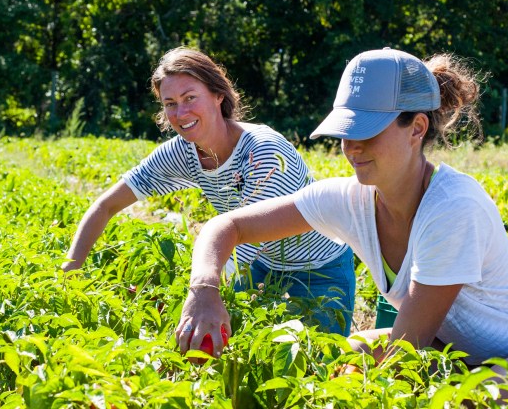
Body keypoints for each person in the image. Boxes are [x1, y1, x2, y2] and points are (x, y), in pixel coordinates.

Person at [176, 48, 508, 373]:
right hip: (457, 347)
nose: (352, 147)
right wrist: (204, 291)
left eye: (367, 131)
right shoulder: (350, 200)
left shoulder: (453, 208)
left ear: (416, 128)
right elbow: (227, 226)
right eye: (346, 131)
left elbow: (406, 354)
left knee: (472, 397)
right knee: (332, 357)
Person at [62, 46, 356, 338]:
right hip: (260, 267)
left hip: (318, 271)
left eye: (190, 97)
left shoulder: (263, 152)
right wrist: (68, 274)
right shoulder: (183, 152)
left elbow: (244, 246)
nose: (181, 112)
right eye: (170, 103)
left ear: (218, 96)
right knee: (227, 355)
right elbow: (106, 206)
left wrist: (189, 299)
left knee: (313, 367)